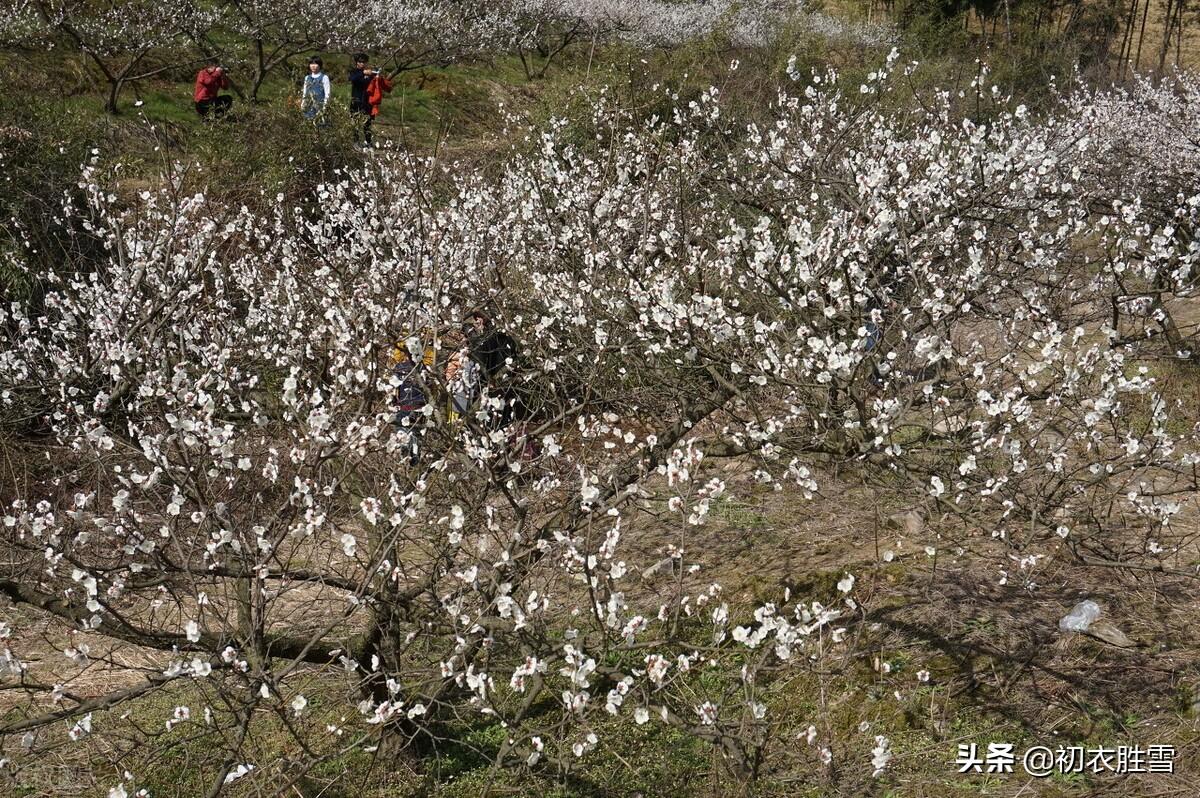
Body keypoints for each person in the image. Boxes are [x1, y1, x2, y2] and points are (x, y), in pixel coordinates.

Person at [391, 342, 428, 466]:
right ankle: (415, 462)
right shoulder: (422, 367)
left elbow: (394, 390)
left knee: (402, 435)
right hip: (419, 407)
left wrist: (393, 401)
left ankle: (403, 462)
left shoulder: (399, 367)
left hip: (403, 406)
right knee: (416, 436)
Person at [348, 53, 392, 147]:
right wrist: (363, 73)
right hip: (356, 101)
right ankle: (356, 141)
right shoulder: (354, 72)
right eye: (360, 62)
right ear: (357, 62)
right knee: (355, 122)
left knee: (367, 123)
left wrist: (377, 74)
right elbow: (352, 79)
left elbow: (382, 84)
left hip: (367, 102)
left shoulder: (370, 73)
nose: (362, 64)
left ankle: (368, 142)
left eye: (364, 62)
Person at [301, 56, 331, 123]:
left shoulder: (324, 77)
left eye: (315, 64)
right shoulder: (307, 78)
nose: (313, 66)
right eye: (311, 64)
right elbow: (305, 93)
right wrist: (303, 105)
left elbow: (327, 94)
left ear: (319, 65)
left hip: (320, 107)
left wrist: (324, 108)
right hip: (309, 107)